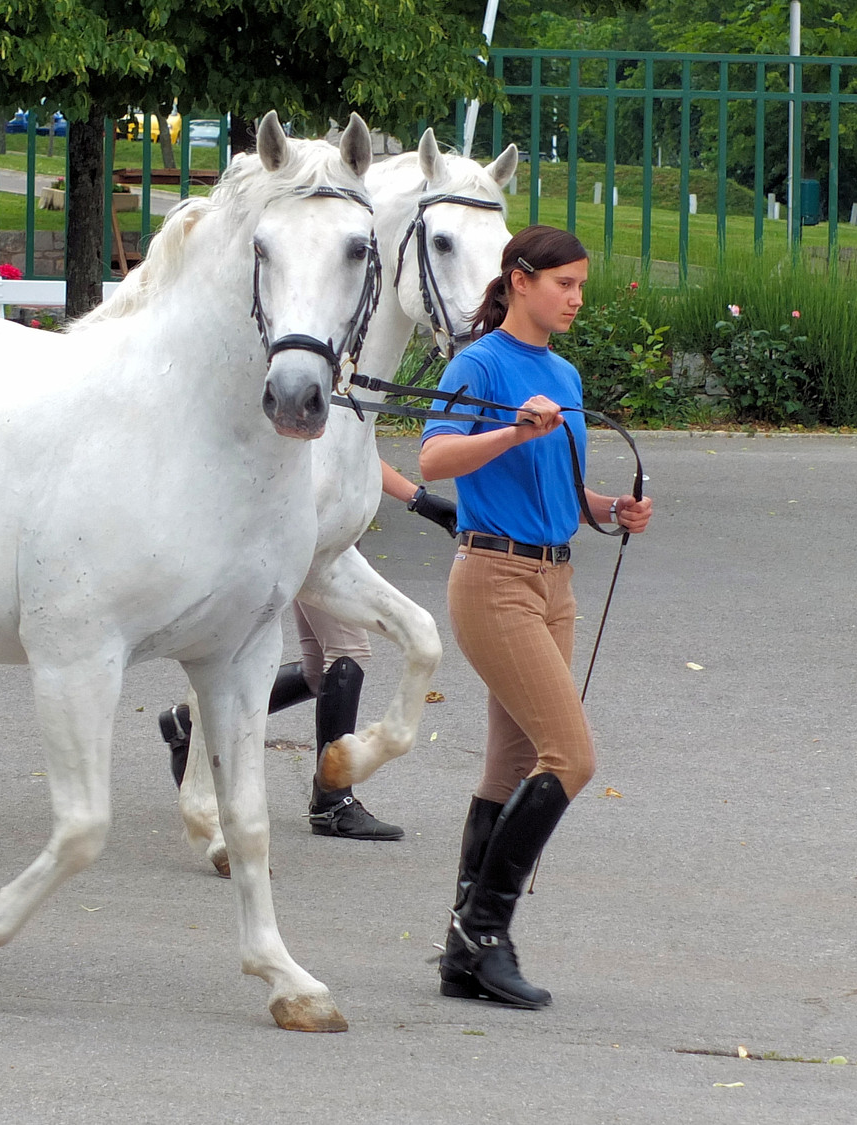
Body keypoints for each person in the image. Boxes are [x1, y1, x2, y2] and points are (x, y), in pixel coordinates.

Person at [418, 225, 653, 1009]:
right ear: (520, 279)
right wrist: (514, 425)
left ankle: (463, 955)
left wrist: (609, 508)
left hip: (555, 581)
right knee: (571, 757)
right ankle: (485, 932)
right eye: (566, 284)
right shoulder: (479, 363)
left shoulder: (564, 373)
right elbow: (434, 459)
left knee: (510, 768)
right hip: (493, 578)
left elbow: (560, 484)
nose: (578, 298)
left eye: (583, 285)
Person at [159, 457, 459, 842]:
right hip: (314, 545)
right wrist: (418, 499)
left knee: (318, 670)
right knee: (347, 654)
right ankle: (333, 802)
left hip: (332, 533)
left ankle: (187, 722)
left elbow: (354, 444)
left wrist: (418, 499)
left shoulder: (342, 401)